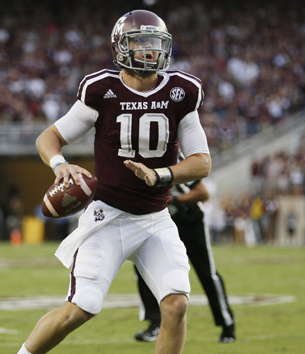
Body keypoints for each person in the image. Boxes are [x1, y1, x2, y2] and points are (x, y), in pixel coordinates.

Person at [17, 9, 211, 354]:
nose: (150, 51)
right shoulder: (101, 89)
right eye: (140, 43)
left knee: (176, 305)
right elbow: (48, 138)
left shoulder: (183, 92)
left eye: (155, 43)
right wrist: (60, 164)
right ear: (120, 47)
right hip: (107, 217)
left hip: (154, 220)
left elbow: (201, 162)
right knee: (78, 310)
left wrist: (160, 175)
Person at [133, 178, 235, 343]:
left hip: (188, 218)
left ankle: (227, 323)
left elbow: (203, 192)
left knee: (205, 271)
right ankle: (155, 323)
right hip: (160, 220)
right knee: (144, 268)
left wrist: (174, 199)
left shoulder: (174, 158)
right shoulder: (138, 160)